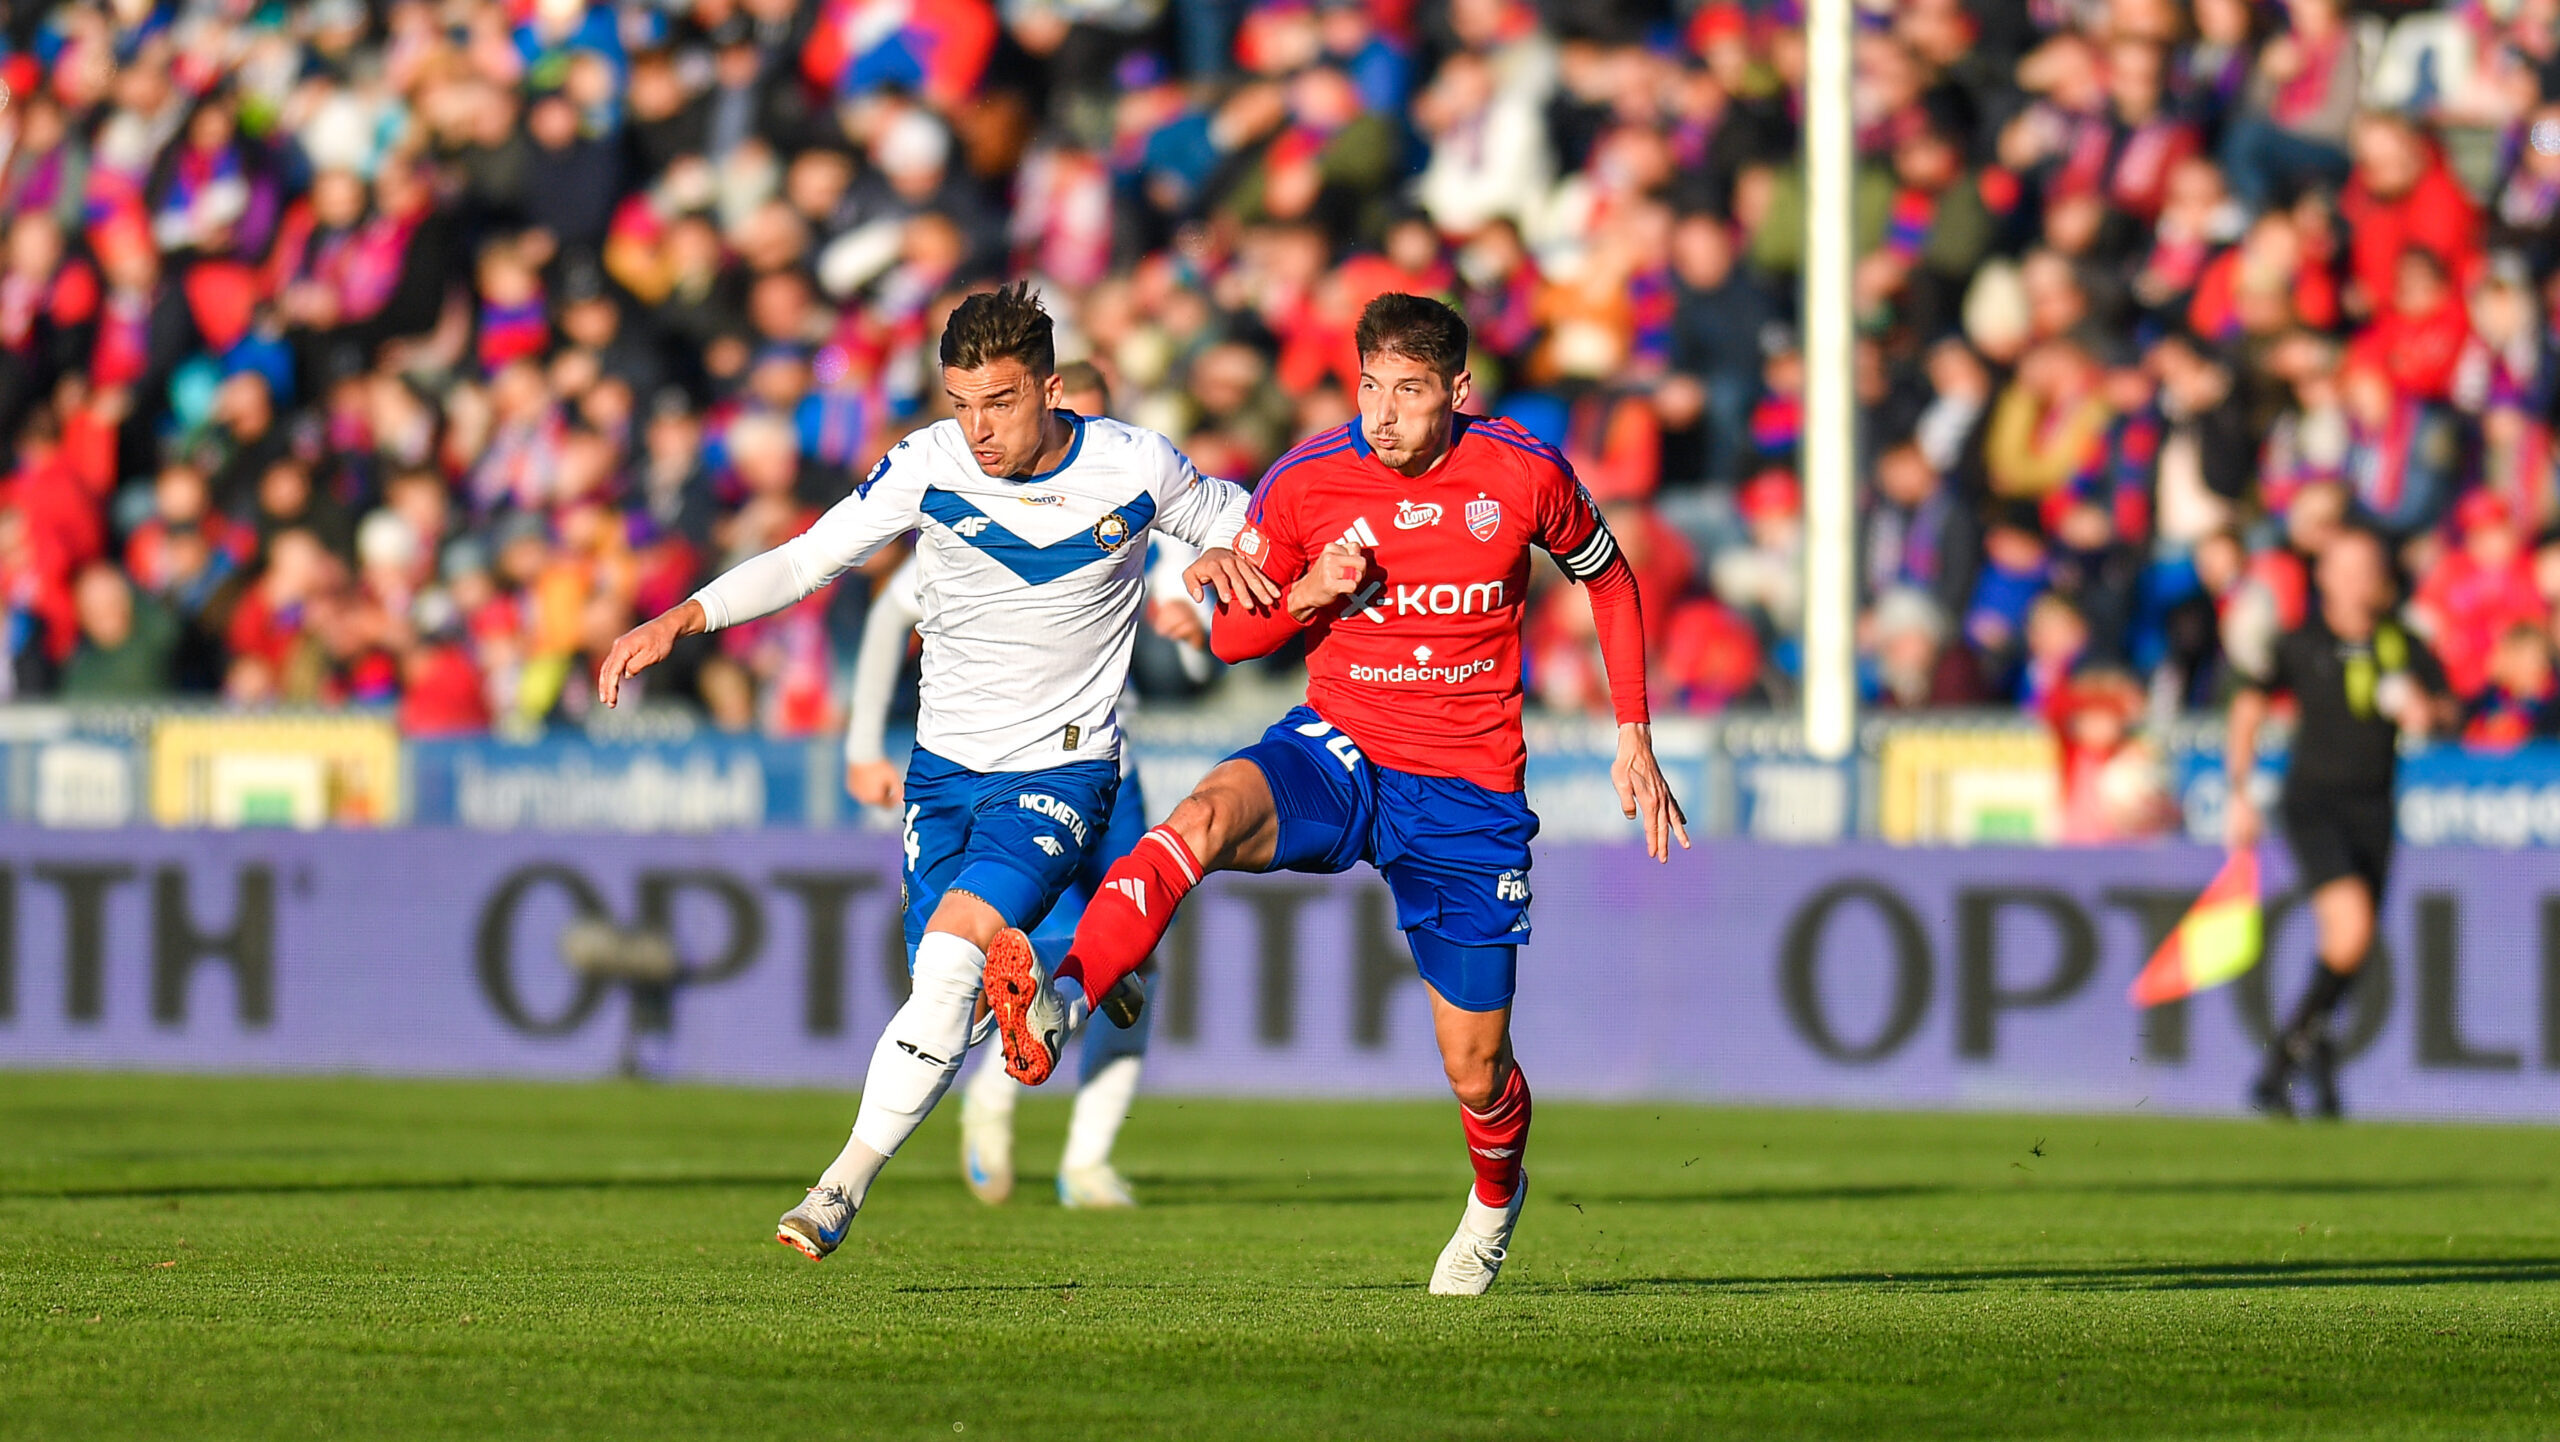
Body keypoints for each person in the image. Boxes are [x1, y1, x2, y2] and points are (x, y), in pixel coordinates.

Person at [981, 294, 1689, 1295]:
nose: (1383, 412)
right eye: (1368, 386)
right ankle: (1060, 1002)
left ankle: (1495, 1198)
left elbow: (1608, 580)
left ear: (1458, 390)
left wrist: (1633, 733)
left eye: (1408, 389)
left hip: (1466, 791)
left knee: (1475, 1066)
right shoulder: (1309, 479)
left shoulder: (1522, 470)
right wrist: (1311, 594)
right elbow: (1232, 637)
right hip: (1340, 743)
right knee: (1204, 812)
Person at [596, 284, 1274, 1259]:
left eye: (997, 401)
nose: (978, 427)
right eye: (960, 402)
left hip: (1060, 774)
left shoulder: (1133, 465)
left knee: (956, 958)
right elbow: (806, 559)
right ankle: (1070, 981)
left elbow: (1246, 523)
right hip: (941, 776)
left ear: (1048, 387)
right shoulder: (928, 465)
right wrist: (678, 617)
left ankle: (837, 1188)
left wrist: (1226, 568)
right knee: (939, 997)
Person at [841, 365, 1209, 1212]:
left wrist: (1199, 625)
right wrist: (863, 742)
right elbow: (891, 610)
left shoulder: (1136, 497)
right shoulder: (982, 505)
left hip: (1111, 774)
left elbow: (1203, 632)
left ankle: (1086, 1161)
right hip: (1011, 774)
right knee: (996, 958)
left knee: (1131, 963)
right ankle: (993, 1106)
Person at [2224, 526, 2456, 1118]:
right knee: (2350, 929)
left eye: (2366, 568)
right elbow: (2248, 705)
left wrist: (2426, 713)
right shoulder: (2302, 642)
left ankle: (2315, 1055)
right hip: (2313, 804)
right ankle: (2279, 1061)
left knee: (2348, 946)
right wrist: (2239, 791)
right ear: (2322, 576)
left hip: (2375, 809)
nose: (2355, 581)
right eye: (2343, 567)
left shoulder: (2402, 644)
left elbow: (2446, 710)